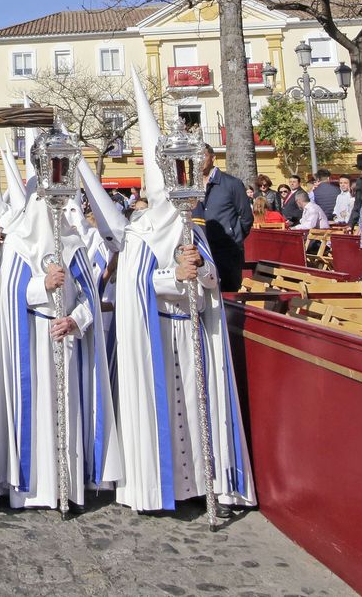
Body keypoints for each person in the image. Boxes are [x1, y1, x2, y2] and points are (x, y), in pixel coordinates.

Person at [114, 80, 254, 515]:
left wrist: (204, 272)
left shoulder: (194, 228)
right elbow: (135, 285)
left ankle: (207, 483)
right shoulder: (139, 232)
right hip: (158, 332)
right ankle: (163, 486)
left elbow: (212, 275)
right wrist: (174, 276)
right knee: (167, 412)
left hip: (195, 331)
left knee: (198, 410)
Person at [0, 186, 122, 511]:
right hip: (33, 338)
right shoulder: (19, 245)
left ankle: (69, 487)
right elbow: (9, 295)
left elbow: (90, 295)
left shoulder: (74, 244)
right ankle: (31, 489)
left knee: (68, 412)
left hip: (67, 340)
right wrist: (41, 285)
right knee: (35, 412)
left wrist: (76, 320)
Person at [192, 142, 253, 292]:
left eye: (202, 156)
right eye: (195, 157)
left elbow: (246, 217)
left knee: (228, 297)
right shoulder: (191, 187)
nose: (199, 160)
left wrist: (232, 238)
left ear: (213, 158)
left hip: (227, 254)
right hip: (201, 253)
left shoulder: (232, 184)